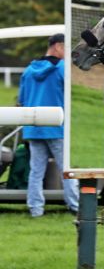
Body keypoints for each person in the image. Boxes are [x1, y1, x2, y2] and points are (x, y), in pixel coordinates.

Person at [17, 33, 79, 217]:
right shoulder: (62, 69)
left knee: (36, 171)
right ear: (58, 46)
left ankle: (35, 209)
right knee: (66, 170)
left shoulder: (28, 71)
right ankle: (75, 206)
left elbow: (21, 101)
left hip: (33, 128)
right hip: (57, 128)